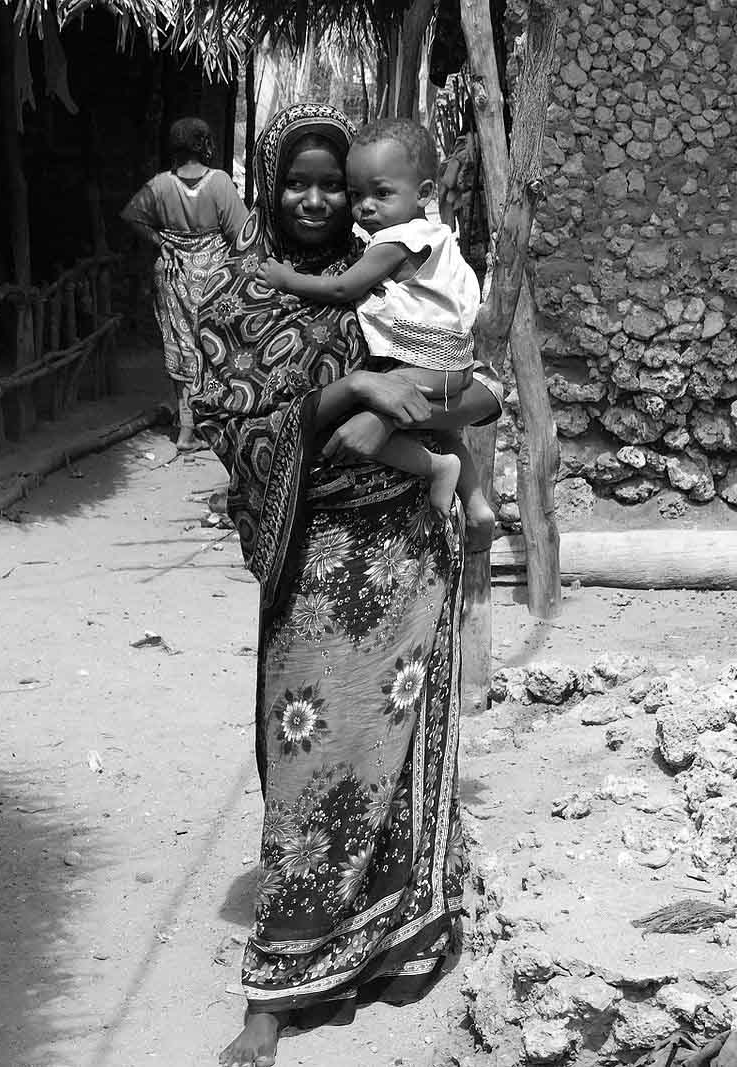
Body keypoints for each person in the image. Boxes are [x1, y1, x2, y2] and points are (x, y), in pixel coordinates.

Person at [190, 103, 502, 1067]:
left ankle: (393, 939)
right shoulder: (242, 298)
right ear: (270, 187)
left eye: (341, 182)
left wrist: (407, 407)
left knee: (400, 750)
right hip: (316, 563)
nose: (322, 198)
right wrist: (355, 395)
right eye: (302, 181)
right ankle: (276, 987)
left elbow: (479, 389)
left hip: (410, 548)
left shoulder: (394, 284)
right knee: (309, 764)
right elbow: (236, 433)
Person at [257, 117, 493, 537]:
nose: (364, 206)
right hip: (319, 546)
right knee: (449, 436)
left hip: (416, 535)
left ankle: (439, 469)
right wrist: (354, 387)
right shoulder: (436, 238)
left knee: (407, 425)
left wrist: (383, 418)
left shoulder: (389, 246)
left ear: (422, 193)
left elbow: (490, 391)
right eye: (355, 194)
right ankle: (475, 502)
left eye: (379, 194)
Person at [121, 117, 247, 449]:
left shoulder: (160, 185)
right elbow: (243, 235)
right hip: (213, 279)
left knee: (181, 347)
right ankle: (215, 425)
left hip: (172, 274)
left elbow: (131, 215)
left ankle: (186, 431)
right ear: (204, 145)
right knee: (216, 348)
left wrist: (160, 240)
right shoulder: (220, 183)